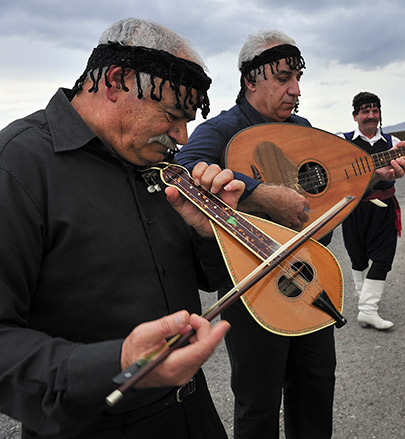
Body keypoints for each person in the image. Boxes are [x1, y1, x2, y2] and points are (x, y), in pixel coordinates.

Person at [0, 18, 244, 438]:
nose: (182, 137)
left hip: (194, 414)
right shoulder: (17, 166)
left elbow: (208, 278)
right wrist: (118, 362)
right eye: (171, 114)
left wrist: (212, 231)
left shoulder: (159, 166)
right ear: (115, 81)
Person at [176, 30, 405, 438]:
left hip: (310, 273)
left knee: (316, 388)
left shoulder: (301, 127)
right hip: (254, 286)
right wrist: (263, 194)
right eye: (283, 78)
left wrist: (377, 176)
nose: (295, 89)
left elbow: (329, 183)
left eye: (298, 78)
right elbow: (184, 173)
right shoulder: (221, 130)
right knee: (258, 401)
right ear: (251, 79)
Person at [339, 92, 405, 330]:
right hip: (353, 208)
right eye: (365, 111)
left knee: (382, 259)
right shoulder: (343, 140)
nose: (370, 115)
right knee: (357, 259)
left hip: (385, 208)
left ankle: (368, 310)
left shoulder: (392, 142)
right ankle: (364, 300)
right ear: (355, 115)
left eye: (375, 110)